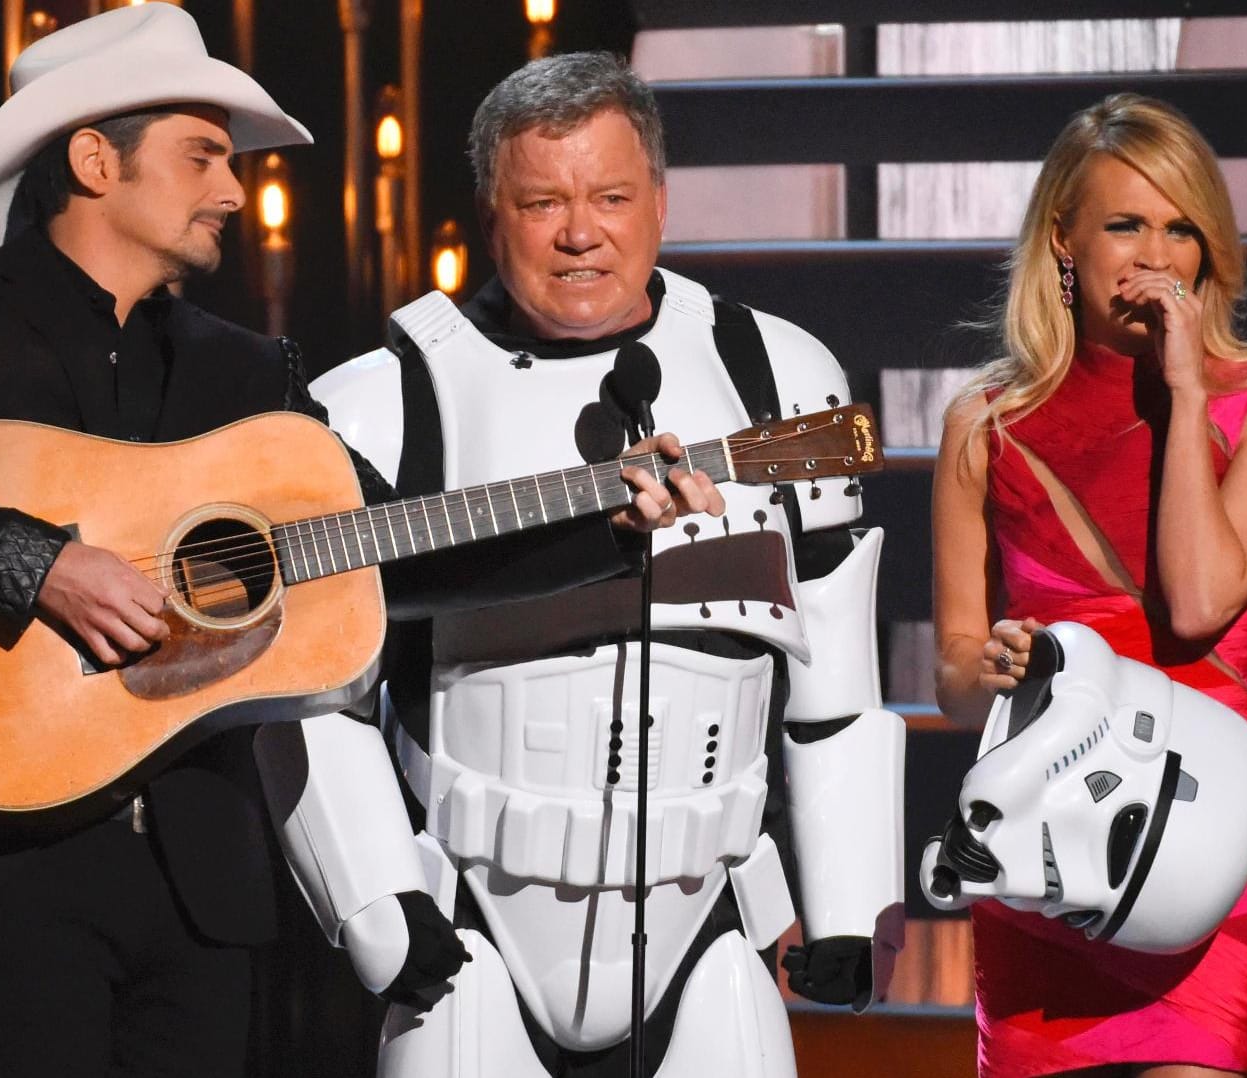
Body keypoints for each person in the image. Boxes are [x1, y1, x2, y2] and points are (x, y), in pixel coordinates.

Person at [0, 7, 716, 1076]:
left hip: (196, 882)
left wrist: (604, 525)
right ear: (92, 159)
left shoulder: (253, 374)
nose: (233, 186)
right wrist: (39, 565)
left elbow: (392, 553)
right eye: (203, 154)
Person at [298, 51, 907, 1078]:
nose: (581, 231)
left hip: (705, 929)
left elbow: (833, 691)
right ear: (495, 216)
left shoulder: (776, 377)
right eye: (544, 202)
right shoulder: (380, 404)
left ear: (660, 205)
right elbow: (314, 693)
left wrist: (853, 908)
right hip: (469, 936)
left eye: (612, 196)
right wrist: (374, 904)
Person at [931, 93, 1247, 1078]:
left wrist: (1187, 393)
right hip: (1050, 849)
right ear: (1064, 239)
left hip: (1211, 846)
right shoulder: (983, 423)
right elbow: (955, 679)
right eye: (1126, 224)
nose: (1156, 254)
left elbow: (1195, 604)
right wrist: (1003, 675)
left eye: (1181, 227)